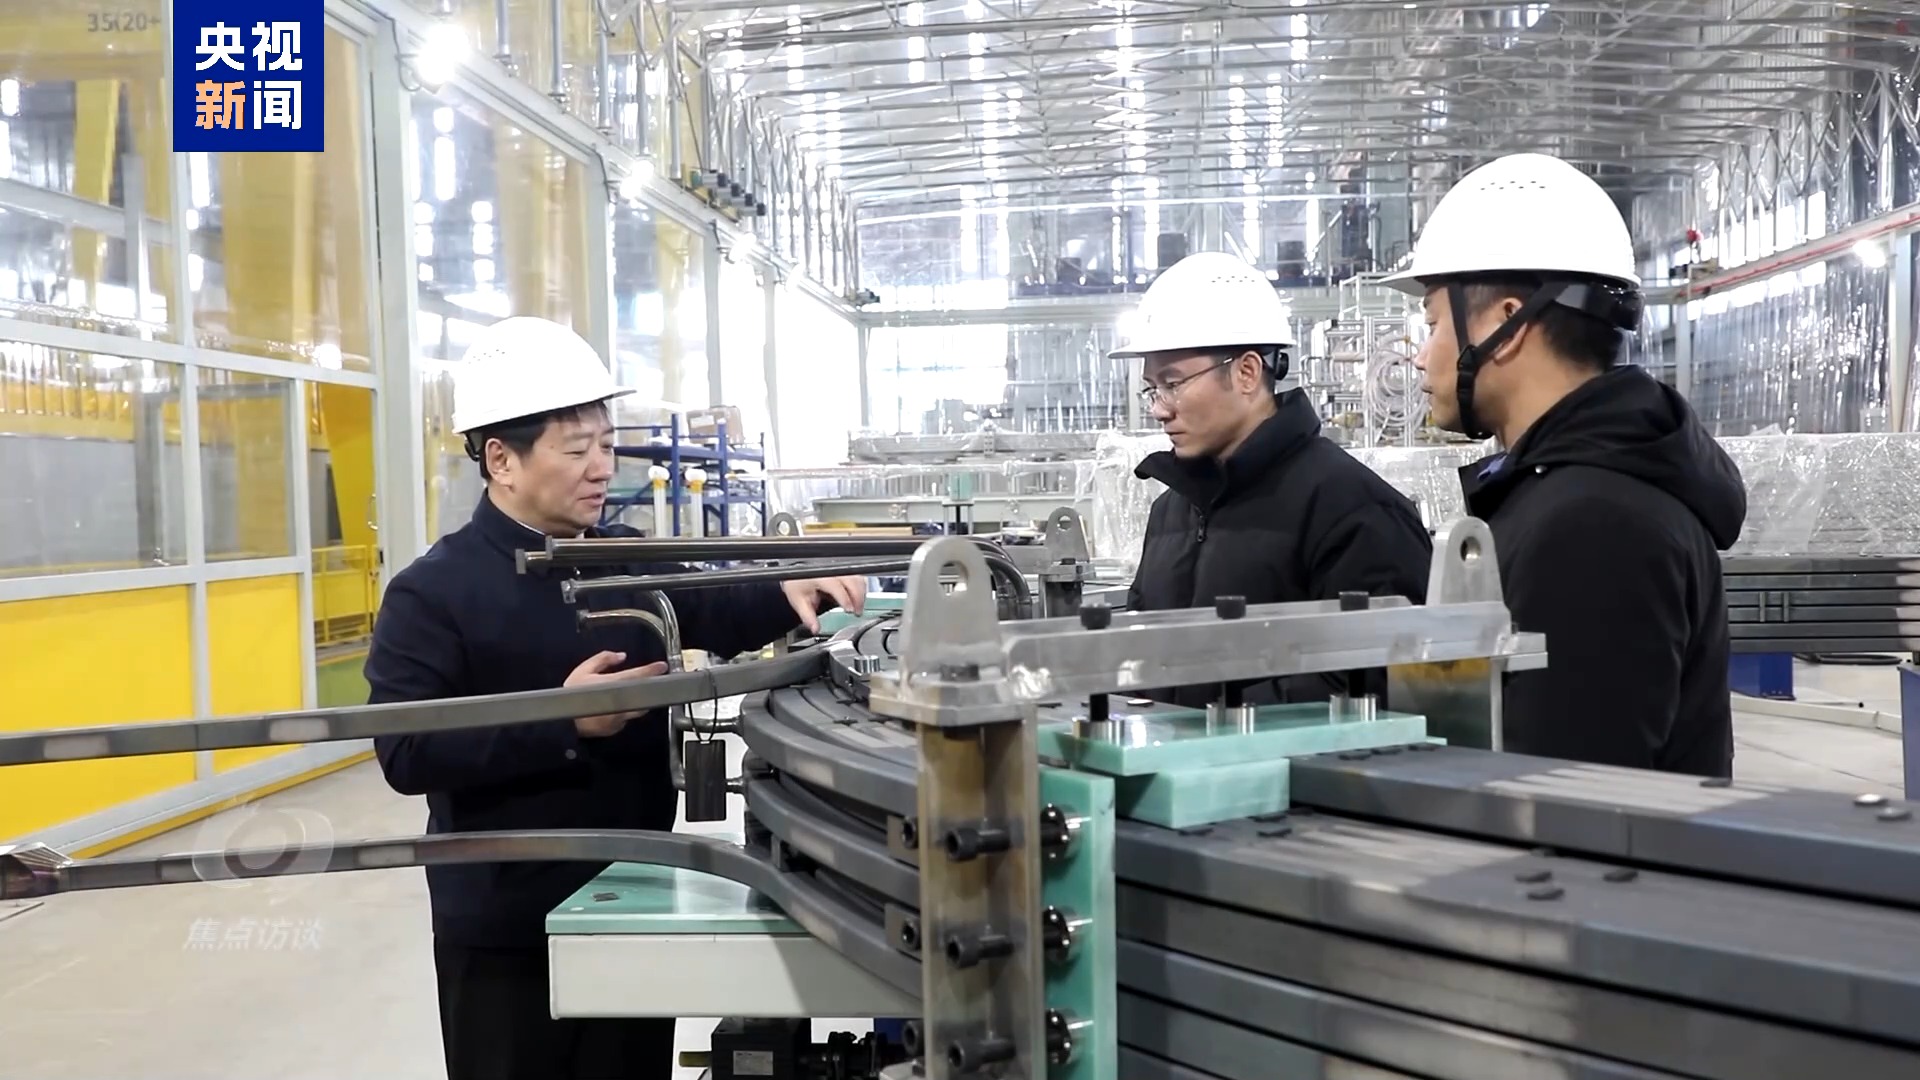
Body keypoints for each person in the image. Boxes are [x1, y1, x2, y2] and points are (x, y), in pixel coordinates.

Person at [364, 316, 866, 1080]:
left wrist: (791, 582)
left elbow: (715, 606)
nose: (602, 466)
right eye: (577, 450)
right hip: (510, 926)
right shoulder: (432, 593)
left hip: (633, 895)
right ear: (501, 459)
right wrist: (560, 721)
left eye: (605, 444)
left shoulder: (622, 557)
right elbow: (406, 751)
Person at [1383, 151, 1747, 777]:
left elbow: (1569, 793)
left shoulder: (1594, 523)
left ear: (1508, 324)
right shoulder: (1564, 489)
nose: (1420, 356)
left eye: (1434, 323)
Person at [1115, 251, 1434, 706]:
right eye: (1152, 388)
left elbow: (1373, 682)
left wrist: (1219, 722)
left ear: (1246, 372)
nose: (1158, 409)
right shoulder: (1169, 512)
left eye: (1173, 383)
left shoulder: (1353, 509)